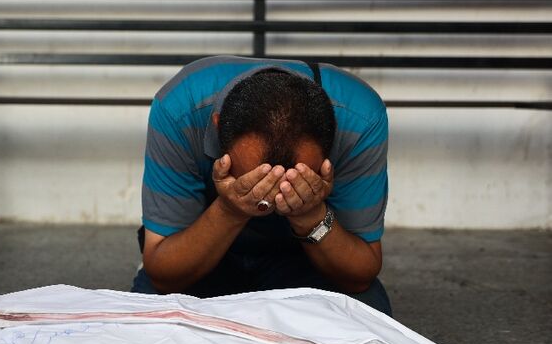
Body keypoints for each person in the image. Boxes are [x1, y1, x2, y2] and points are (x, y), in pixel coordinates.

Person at [131, 55, 392, 315]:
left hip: (306, 259)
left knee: (370, 326)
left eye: (294, 181)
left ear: (331, 142)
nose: (271, 196)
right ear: (219, 127)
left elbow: (360, 275)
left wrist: (310, 215)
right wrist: (230, 210)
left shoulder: (360, 119)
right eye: (251, 179)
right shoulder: (181, 107)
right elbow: (163, 273)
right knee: (146, 328)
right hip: (205, 247)